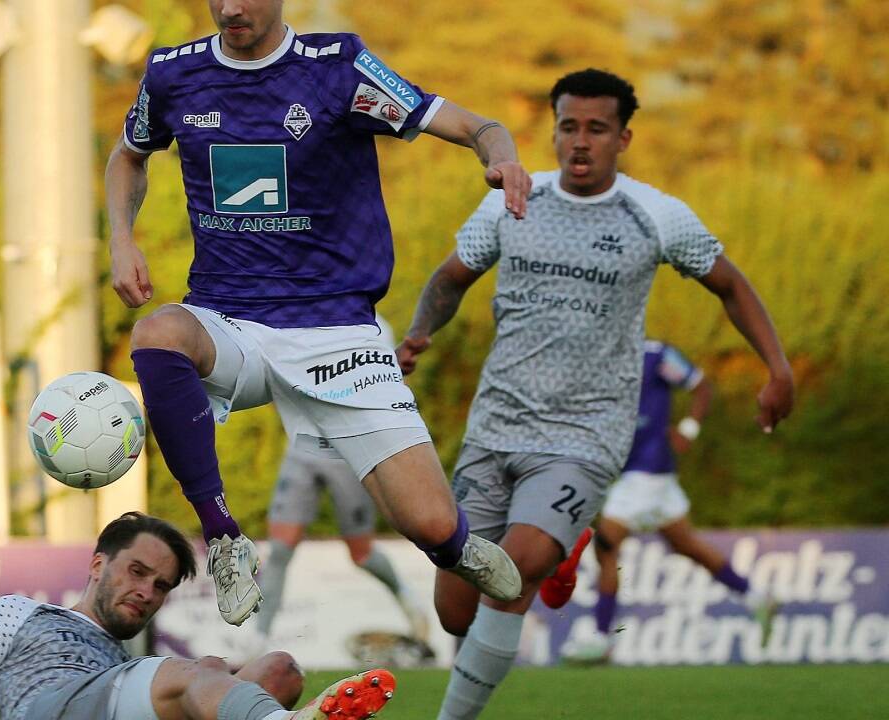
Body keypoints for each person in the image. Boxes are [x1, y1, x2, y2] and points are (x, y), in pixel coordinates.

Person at [106, 0, 529, 629]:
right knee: (158, 333)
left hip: (336, 332)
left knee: (430, 523)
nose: (230, 9)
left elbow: (475, 125)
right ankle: (224, 537)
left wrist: (504, 156)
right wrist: (121, 238)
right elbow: (128, 155)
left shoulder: (339, 69)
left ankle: (457, 548)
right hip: (232, 322)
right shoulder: (174, 73)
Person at [396, 68, 794, 719]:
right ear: (553, 131)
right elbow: (450, 278)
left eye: (596, 129)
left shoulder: (657, 215)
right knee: (454, 610)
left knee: (514, 567)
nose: (579, 143)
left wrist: (777, 367)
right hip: (495, 427)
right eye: (568, 127)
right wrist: (417, 334)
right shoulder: (511, 201)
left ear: (623, 138)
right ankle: (565, 551)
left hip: (585, 435)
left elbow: (730, 284)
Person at [0, 511, 398, 720]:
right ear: (98, 564)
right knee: (206, 672)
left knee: (280, 671)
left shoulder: (124, 662)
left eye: (160, 586)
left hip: (114, 702)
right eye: (137, 572)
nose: (145, 592)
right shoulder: (17, 613)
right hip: (50, 710)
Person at [559, 340, 778, 663]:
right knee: (686, 545)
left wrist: (689, 429)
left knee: (605, 544)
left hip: (647, 470)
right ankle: (756, 597)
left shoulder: (656, 354)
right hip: (642, 473)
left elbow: (701, 386)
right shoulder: (599, 352)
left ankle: (601, 638)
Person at [245, 315, 430, 659]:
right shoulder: (298, 312)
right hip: (301, 449)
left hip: (347, 451)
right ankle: (257, 641)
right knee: (281, 548)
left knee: (361, 552)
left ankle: (406, 596)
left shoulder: (376, 327)